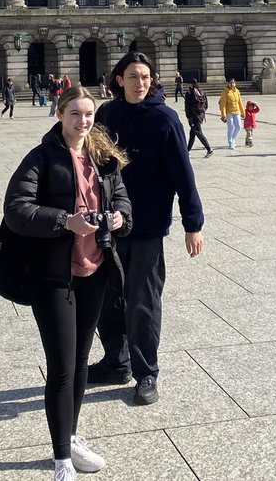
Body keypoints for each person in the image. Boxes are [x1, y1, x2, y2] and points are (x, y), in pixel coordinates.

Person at [5, 86, 133, 481]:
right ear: (59, 114)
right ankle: (61, 458)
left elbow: (124, 201)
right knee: (61, 366)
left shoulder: (102, 158)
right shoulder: (41, 158)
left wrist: (118, 219)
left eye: (89, 114)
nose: (83, 121)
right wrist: (64, 221)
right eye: (75, 113)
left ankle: (72, 436)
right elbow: (16, 208)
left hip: (95, 269)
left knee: (80, 362)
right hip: (54, 274)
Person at [89, 52, 204, 407]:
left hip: (148, 226)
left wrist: (192, 224)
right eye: (133, 76)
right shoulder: (106, 115)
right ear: (119, 80)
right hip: (107, 222)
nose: (141, 83)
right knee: (106, 298)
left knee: (143, 301)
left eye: (146, 77)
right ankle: (115, 361)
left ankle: (146, 373)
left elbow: (183, 176)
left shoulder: (164, 119)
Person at [183, 78, 213, 158]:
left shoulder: (189, 93)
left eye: (189, 84)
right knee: (192, 133)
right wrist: (201, 112)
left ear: (191, 84)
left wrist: (188, 116)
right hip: (200, 116)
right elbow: (206, 105)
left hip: (193, 116)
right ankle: (187, 151)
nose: (188, 85)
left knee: (198, 132)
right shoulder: (202, 92)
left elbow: (187, 106)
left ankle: (209, 149)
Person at [218, 78, 244, 152]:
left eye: (233, 83)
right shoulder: (225, 92)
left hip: (237, 111)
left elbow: (240, 102)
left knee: (238, 126)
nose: (232, 84)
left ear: (235, 83)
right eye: (230, 83)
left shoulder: (237, 91)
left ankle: (232, 139)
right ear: (228, 83)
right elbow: (223, 105)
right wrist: (223, 115)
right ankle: (230, 143)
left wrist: (243, 112)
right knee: (231, 127)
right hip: (229, 112)